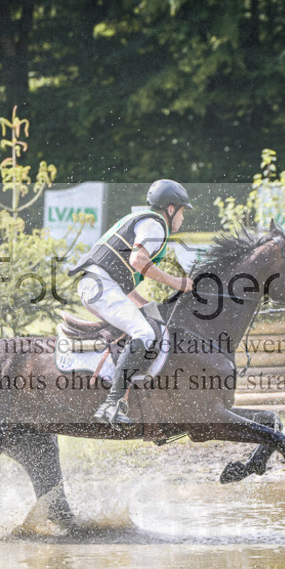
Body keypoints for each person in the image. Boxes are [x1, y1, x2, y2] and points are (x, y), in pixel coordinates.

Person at [69, 179, 195, 427]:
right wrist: (177, 283)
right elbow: (139, 260)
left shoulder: (144, 219)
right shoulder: (156, 225)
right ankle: (112, 404)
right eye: (182, 211)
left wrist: (148, 305)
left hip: (102, 285)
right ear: (170, 209)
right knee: (144, 333)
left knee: (145, 323)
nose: (183, 217)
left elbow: (125, 282)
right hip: (100, 286)